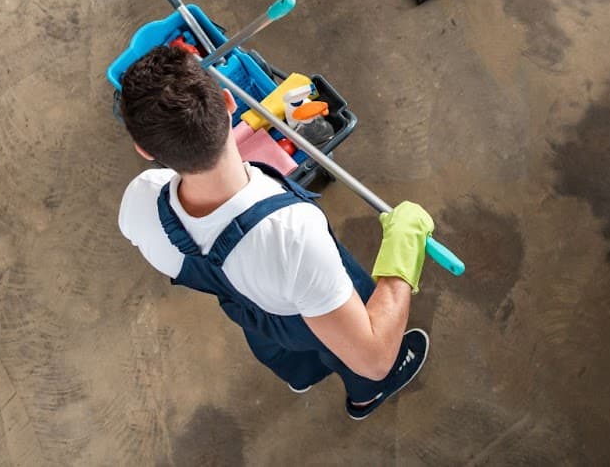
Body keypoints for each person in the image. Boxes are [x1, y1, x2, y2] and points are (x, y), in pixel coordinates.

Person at [116, 43, 433, 419]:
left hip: (250, 306)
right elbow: (374, 357)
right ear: (230, 103)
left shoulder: (140, 200)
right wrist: (403, 251)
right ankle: (366, 397)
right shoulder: (293, 235)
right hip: (296, 304)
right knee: (344, 342)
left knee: (274, 338)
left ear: (144, 149)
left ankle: (301, 373)